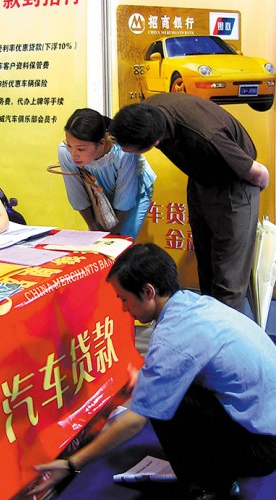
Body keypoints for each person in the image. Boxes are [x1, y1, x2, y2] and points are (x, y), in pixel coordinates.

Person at [30, 243, 276, 499]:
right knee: (160, 390)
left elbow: (135, 421)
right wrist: (150, 381)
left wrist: (71, 464)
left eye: (124, 299)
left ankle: (211, 485)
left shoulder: (172, 337)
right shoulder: (195, 304)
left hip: (263, 449)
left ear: (148, 291)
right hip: (267, 422)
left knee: (162, 407)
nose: (124, 308)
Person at [109, 93, 270, 312]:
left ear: (154, 142)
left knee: (228, 280)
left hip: (235, 184)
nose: (124, 151)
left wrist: (247, 202)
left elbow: (259, 174)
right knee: (207, 267)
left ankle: (222, 339)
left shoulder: (207, 136)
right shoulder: (144, 115)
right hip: (201, 178)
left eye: (130, 149)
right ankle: (206, 327)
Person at [57, 108, 156, 240]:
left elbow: (125, 197)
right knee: (97, 240)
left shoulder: (123, 151)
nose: (74, 154)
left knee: (121, 242)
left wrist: (113, 234)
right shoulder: (65, 152)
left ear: (102, 144)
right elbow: (77, 194)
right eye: (70, 145)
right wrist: (92, 226)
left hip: (134, 192)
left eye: (81, 149)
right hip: (99, 195)